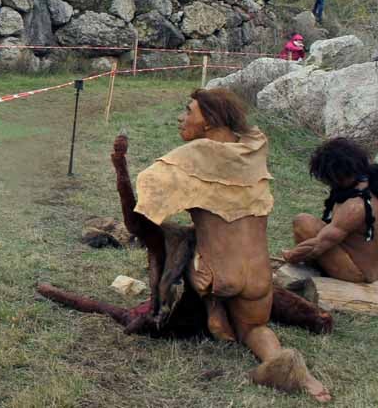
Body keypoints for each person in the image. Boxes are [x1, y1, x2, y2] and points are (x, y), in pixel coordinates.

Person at [132, 89, 329, 401]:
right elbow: (247, 129)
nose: (181, 118)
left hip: (218, 274)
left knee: (182, 247)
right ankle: (295, 372)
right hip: (260, 274)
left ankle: (214, 309)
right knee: (254, 329)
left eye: (188, 111)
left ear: (209, 121)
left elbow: (144, 211)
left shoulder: (190, 156)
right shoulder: (255, 148)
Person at [282, 138, 378, 284]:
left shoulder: (355, 206)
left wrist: (290, 255)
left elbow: (318, 245)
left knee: (303, 223)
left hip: (358, 274)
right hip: (364, 264)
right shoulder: (368, 181)